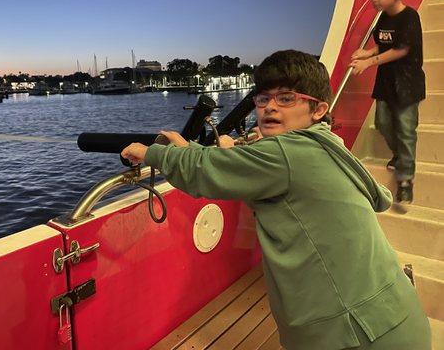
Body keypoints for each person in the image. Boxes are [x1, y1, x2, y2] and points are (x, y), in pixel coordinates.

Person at [121, 50, 431, 350]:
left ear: (319, 109)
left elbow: (204, 171)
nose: (270, 107)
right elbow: (269, 182)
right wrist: (225, 153)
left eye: (286, 98)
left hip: (359, 334)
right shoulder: (328, 143)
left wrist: (152, 153)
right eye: (263, 98)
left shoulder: (286, 155)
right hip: (395, 316)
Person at [350, 0, 425, 203]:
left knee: (405, 130)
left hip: (407, 83)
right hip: (386, 82)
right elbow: (384, 44)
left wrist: (368, 62)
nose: (374, 0)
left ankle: (405, 182)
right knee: (383, 123)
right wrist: (368, 51)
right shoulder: (383, 18)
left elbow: (402, 49)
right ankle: (400, 155)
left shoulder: (410, 17)